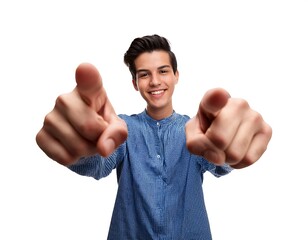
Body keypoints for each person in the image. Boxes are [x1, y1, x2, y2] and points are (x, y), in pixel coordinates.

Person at [36, 34, 272, 239]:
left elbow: (221, 162)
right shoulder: (122, 128)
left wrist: (232, 142)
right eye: (144, 74)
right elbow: (98, 164)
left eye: (163, 71)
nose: (155, 81)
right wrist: (80, 147)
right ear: (135, 83)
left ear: (176, 75)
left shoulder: (195, 130)